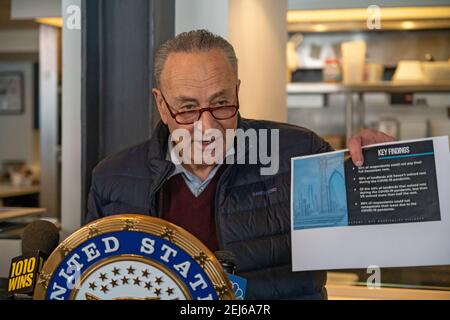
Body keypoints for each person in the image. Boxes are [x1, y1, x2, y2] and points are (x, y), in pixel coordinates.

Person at [85, 30, 395, 299]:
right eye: (188, 108)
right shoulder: (111, 178)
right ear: (162, 106)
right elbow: (94, 284)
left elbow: (379, 237)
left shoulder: (300, 155)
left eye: (220, 104)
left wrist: (384, 171)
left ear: (237, 91)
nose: (206, 126)